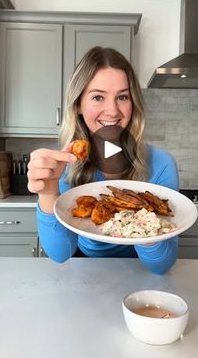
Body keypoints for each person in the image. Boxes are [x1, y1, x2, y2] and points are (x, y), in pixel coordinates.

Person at [27, 46, 179, 274]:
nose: (112, 110)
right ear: (78, 104)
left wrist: (144, 223)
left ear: (133, 103)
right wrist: (48, 193)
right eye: (98, 97)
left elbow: (161, 266)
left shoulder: (161, 164)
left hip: (140, 273)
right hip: (84, 272)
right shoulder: (63, 166)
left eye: (122, 97)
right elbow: (60, 254)